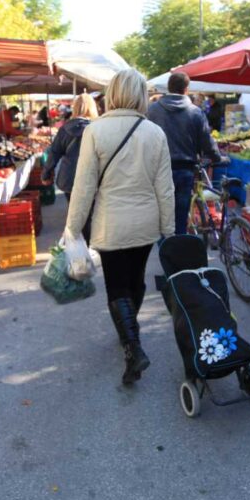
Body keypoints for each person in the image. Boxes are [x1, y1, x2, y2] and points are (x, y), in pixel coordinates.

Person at [65, 69, 175, 386]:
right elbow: (165, 188)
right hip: (145, 222)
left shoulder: (95, 131)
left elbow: (83, 187)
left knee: (116, 285)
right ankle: (131, 330)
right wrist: (169, 230)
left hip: (110, 222)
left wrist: (72, 229)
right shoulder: (154, 133)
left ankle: (132, 346)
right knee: (136, 279)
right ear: (141, 95)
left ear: (112, 93)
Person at [147, 72, 223, 235]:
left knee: (160, 215)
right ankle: (178, 246)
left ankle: (165, 247)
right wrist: (217, 158)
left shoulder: (152, 110)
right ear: (186, 89)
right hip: (185, 170)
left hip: (159, 170)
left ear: (168, 88)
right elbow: (206, 142)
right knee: (180, 218)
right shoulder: (195, 112)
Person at [43, 93, 98, 242]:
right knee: (91, 214)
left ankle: (82, 244)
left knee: (75, 214)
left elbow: (54, 153)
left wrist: (46, 174)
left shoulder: (65, 129)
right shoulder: (98, 128)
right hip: (92, 178)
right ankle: (91, 244)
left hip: (69, 179)